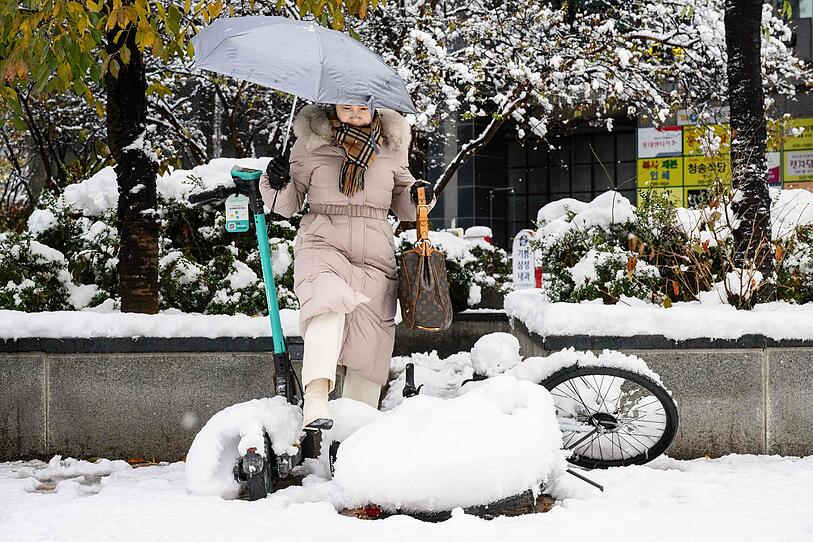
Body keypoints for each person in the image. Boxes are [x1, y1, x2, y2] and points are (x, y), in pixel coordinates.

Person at [259, 103, 436, 430]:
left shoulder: (392, 144)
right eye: (346, 107)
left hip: (375, 252)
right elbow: (287, 205)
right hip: (322, 240)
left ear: (375, 107)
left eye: (361, 108)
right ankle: (315, 399)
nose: (354, 114)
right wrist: (276, 181)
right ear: (332, 106)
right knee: (327, 302)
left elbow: (404, 203)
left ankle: (352, 439)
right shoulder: (310, 142)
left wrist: (419, 195)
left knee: (370, 345)